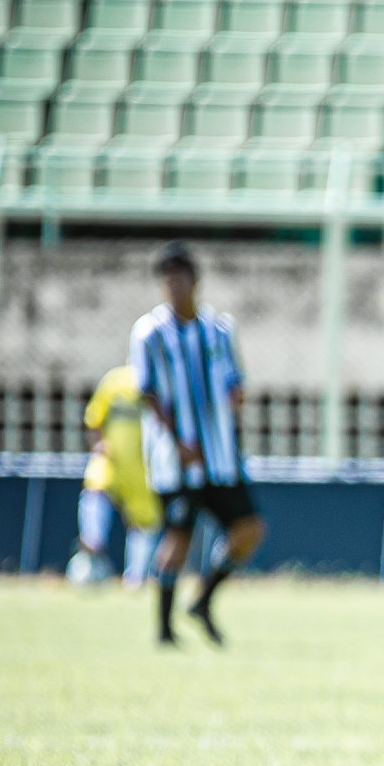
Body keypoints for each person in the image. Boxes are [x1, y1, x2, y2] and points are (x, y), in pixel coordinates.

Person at [129, 242, 266, 646]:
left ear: (195, 280)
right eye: (167, 277)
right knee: (178, 538)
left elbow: (234, 382)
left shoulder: (220, 329)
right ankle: (164, 628)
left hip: (220, 459)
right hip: (178, 462)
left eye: (181, 275)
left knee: (249, 529)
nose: (174, 284)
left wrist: (233, 405)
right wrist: (177, 441)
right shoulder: (150, 333)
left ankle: (203, 598)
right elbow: (147, 392)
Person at [66, 363, 162, 589]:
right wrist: (97, 443)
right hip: (112, 460)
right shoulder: (115, 381)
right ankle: (92, 547)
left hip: (144, 468)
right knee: (95, 489)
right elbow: (94, 418)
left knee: (145, 521)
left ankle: (135, 579)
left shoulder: (163, 384)